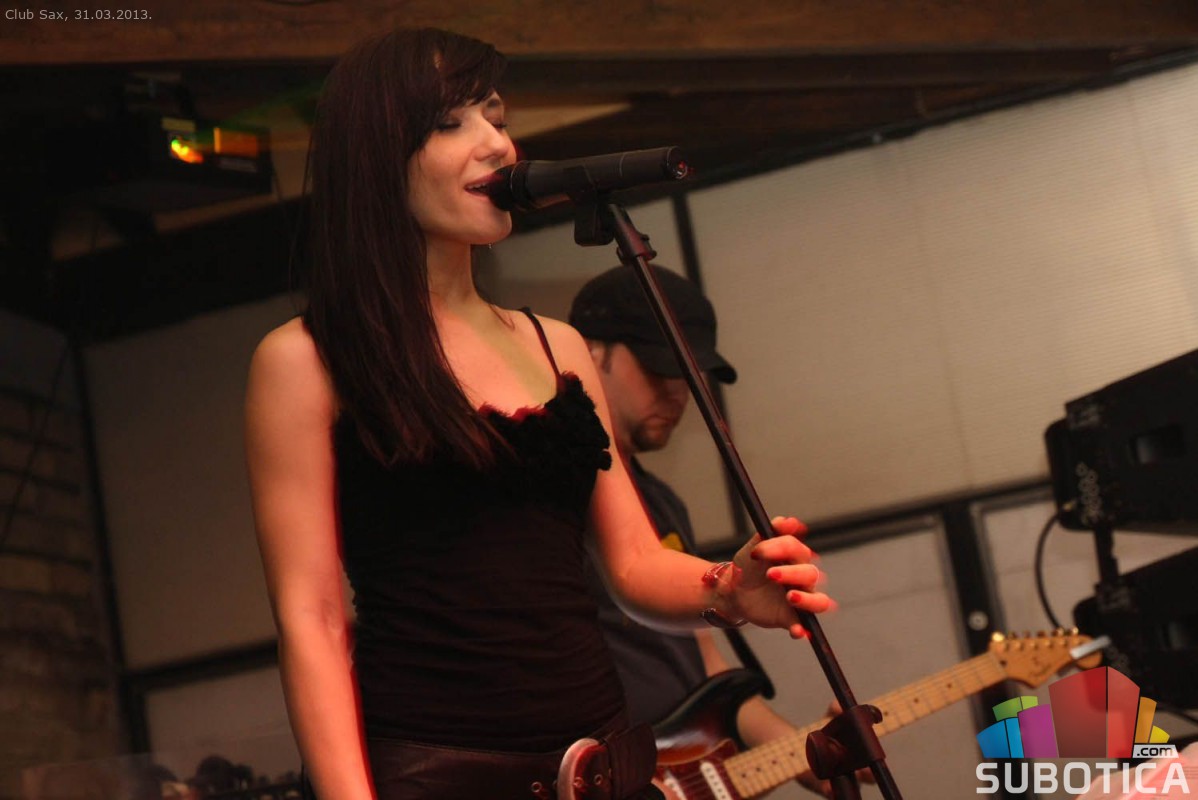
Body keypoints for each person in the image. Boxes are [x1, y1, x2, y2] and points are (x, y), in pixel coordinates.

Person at [244, 27, 831, 800]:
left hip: (600, 764)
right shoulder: (306, 360)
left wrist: (727, 589)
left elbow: (633, 563)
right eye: (452, 122)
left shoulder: (557, 347)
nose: (496, 144)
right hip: (437, 771)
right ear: (377, 157)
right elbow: (312, 617)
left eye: (497, 117)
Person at [570, 266, 829, 794]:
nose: (679, 393)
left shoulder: (665, 504)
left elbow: (708, 672)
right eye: (660, 368)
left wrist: (809, 756)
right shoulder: (553, 492)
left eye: (690, 375)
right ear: (592, 355)